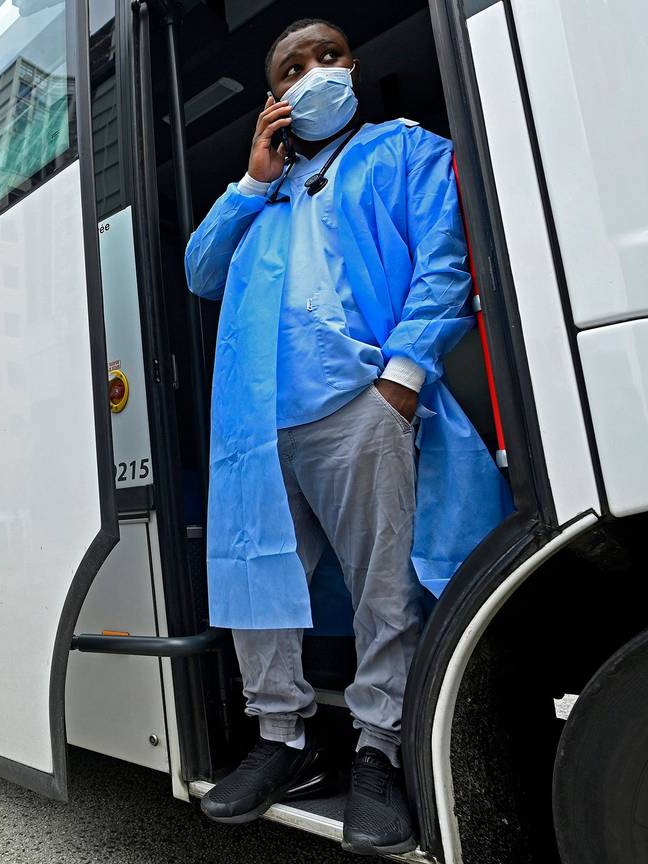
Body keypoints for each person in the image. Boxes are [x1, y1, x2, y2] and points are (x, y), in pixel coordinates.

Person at [184, 18, 511, 855]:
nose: (316, 73)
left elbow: (443, 259)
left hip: (360, 404)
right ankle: (282, 741)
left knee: (382, 588)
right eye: (295, 67)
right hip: (258, 424)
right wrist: (251, 181)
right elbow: (200, 272)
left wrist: (401, 382)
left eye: (328, 57)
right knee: (261, 589)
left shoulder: (402, 149)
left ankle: (377, 750)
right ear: (275, 98)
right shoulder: (267, 194)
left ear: (353, 67)